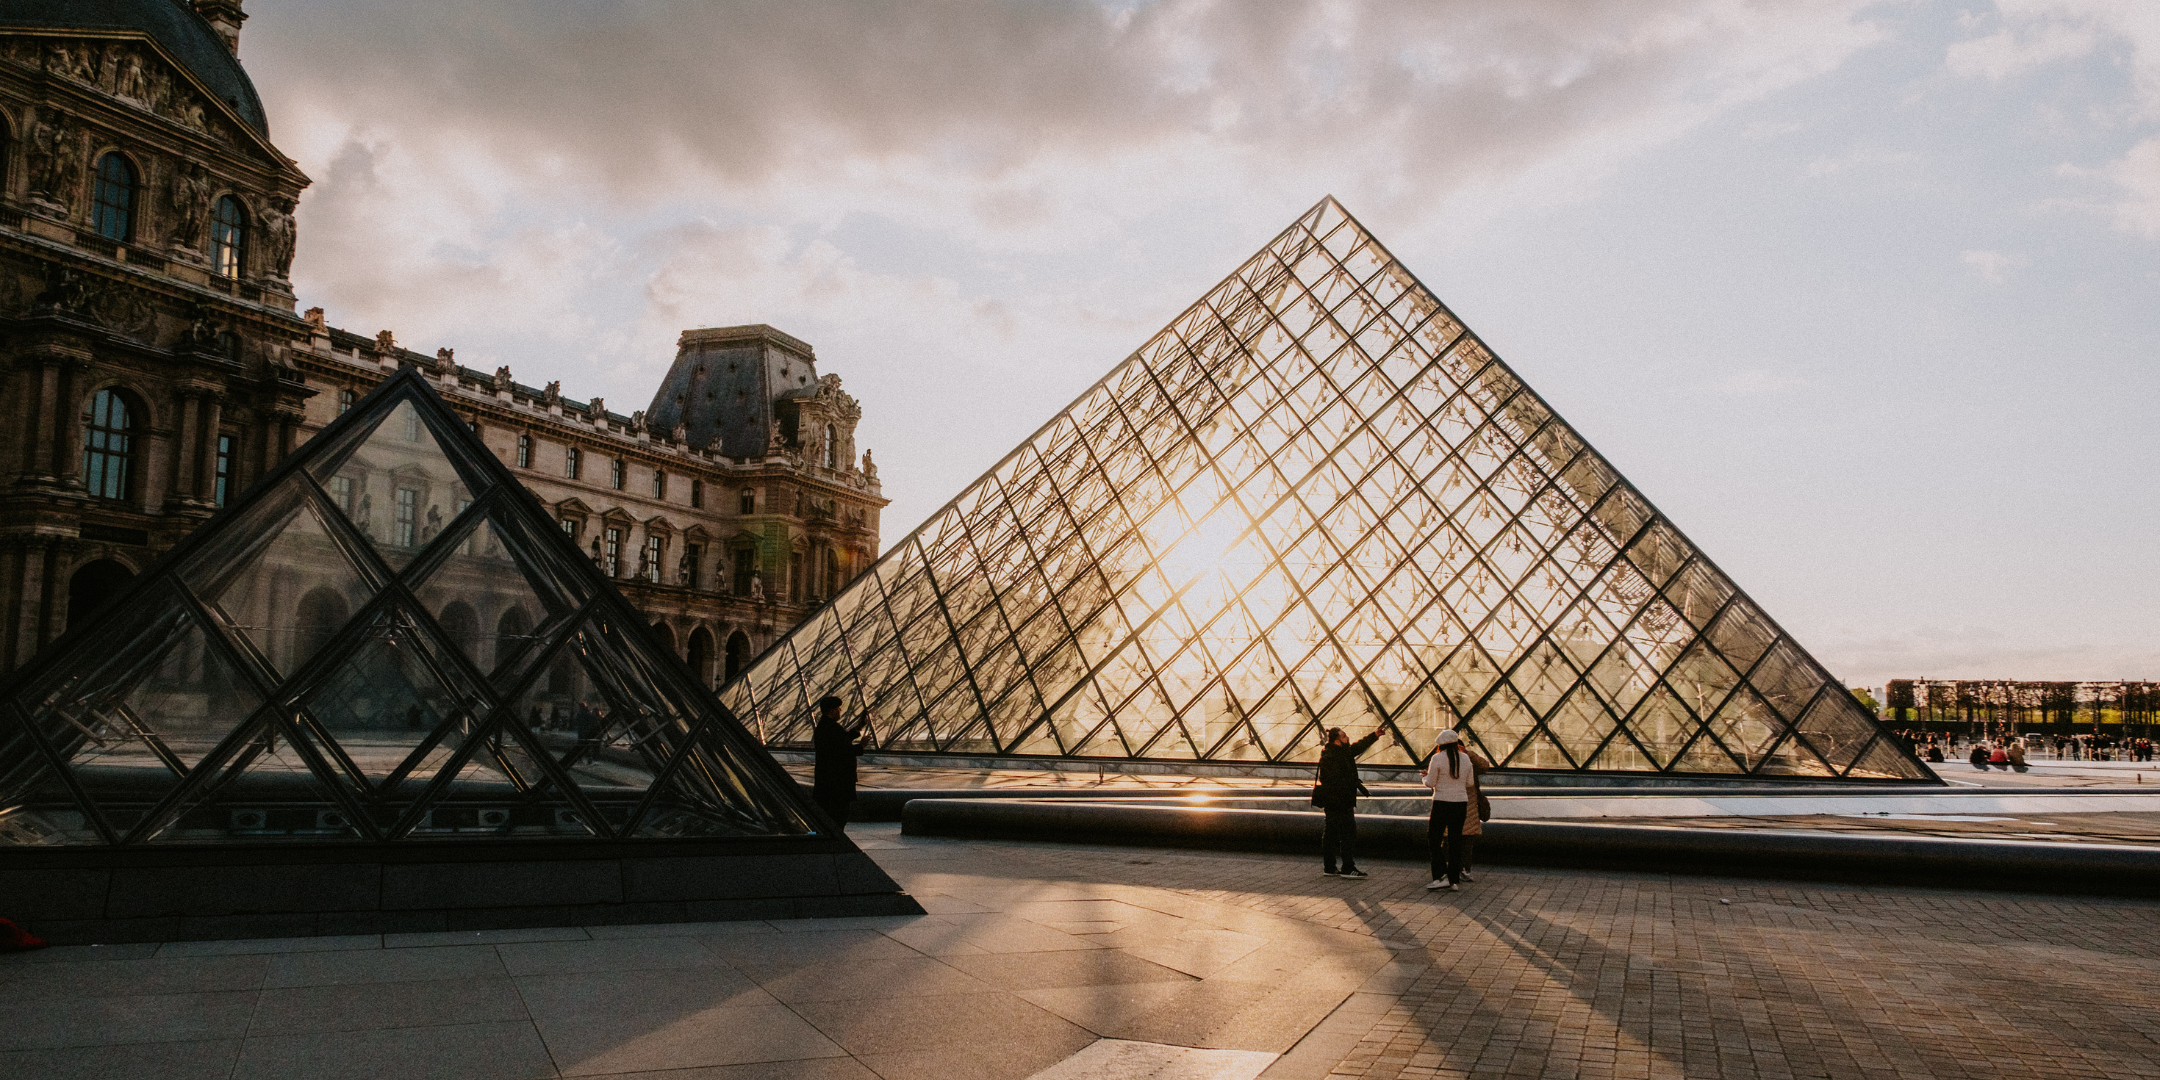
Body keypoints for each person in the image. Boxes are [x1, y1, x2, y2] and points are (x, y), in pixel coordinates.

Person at [1316, 726, 1380, 877]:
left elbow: (1358, 746)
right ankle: (1347, 868)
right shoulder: (1333, 756)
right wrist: (1350, 785)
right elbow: (1334, 781)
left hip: (1335, 801)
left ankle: (1330, 867)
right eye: (1344, 736)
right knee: (1348, 835)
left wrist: (1375, 735)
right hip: (1340, 802)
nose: (1347, 738)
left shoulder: (1338, 753)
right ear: (1337, 741)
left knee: (1331, 834)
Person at [1424, 730, 1475, 891]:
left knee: (1434, 838)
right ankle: (1454, 880)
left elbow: (1430, 783)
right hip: (1460, 803)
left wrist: (1423, 777)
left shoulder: (1437, 758)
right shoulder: (1465, 758)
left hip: (1441, 803)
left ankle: (1440, 876)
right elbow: (1470, 783)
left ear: (1441, 745)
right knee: (1455, 841)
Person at [812, 695, 871, 832]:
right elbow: (843, 751)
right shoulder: (832, 728)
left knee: (827, 816)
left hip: (827, 781)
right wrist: (861, 746)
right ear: (832, 711)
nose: (840, 711)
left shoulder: (824, 726)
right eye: (838, 708)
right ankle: (834, 840)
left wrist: (859, 727)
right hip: (837, 783)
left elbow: (841, 741)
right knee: (839, 816)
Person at [1457, 741, 1493, 881]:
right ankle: (1457, 869)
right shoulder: (1443, 760)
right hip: (1457, 804)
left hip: (1469, 806)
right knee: (1456, 840)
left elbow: (1485, 765)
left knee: (1467, 840)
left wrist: (1468, 754)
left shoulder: (1470, 762)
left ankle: (1464, 869)